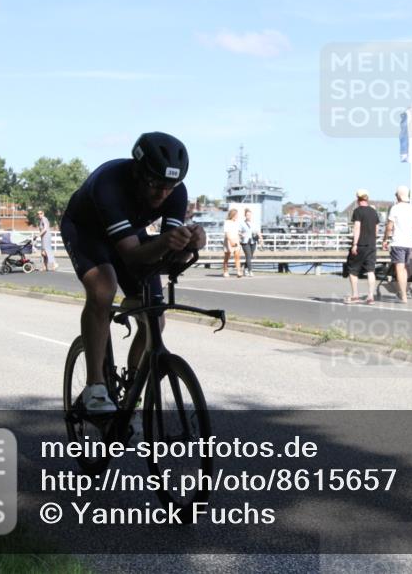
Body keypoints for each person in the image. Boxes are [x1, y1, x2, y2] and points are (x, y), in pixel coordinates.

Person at [60, 132, 205, 418]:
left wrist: (190, 246)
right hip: (87, 231)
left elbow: (166, 260)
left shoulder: (176, 192)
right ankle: (95, 387)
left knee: (156, 317)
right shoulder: (109, 184)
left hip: (129, 233)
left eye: (170, 186)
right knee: (103, 289)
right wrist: (165, 242)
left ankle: (132, 392)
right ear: (138, 172)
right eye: (155, 184)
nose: (163, 194)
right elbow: (132, 256)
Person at [382, 185, 412, 303]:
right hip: (409, 243)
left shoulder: (395, 208)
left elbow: (389, 227)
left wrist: (385, 240)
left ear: (398, 196)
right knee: (404, 268)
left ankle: (403, 295)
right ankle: (404, 292)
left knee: (399, 269)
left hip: (398, 242)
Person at [345, 189, 379, 304]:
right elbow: (376, 230)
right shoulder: (374, 212)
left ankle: (355, 296)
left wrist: (354, 244)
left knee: (353, 270)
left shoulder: (357, 211)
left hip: (360, 245)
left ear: (357, 198)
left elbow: (357, 227)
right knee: (371, 270)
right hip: (371, 245)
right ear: (367, 198)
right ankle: (370, 297)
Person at [238, 209, 261, 277]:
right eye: (247, 215)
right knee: (248, 255)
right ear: (245, 215)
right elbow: (238, 231)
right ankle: (250, 271)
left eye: (250, 215)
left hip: (253, 241)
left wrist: (261, 239)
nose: (249, 216)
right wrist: (242, 234)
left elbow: (258, 231)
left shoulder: (254, 223)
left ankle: (245, 269)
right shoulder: (242, 223)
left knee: (250, 256)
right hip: (245, 241)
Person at [222, 208, 242, 278]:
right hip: (229, 240)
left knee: (237, 256)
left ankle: (239, 271)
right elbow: (227, 233)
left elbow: (237, 231)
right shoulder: (227, 222)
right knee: (227, 256)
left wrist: (241, 234)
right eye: (236, 215)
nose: (237, 216)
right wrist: (230, 241)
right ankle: (225, 271)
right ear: (233, 215)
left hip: (236, 239)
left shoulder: (236, 222)